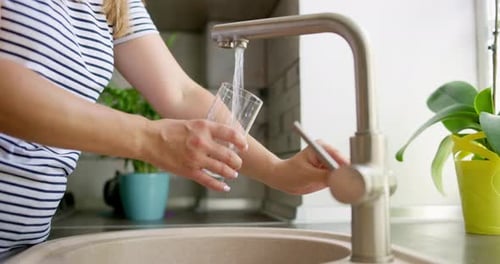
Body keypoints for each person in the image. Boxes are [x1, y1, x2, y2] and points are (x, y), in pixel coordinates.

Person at [0, 0, 349, 259]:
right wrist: (149, 138)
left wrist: (278, 171)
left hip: (24, 244)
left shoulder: (115, 2)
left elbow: (181, 93)